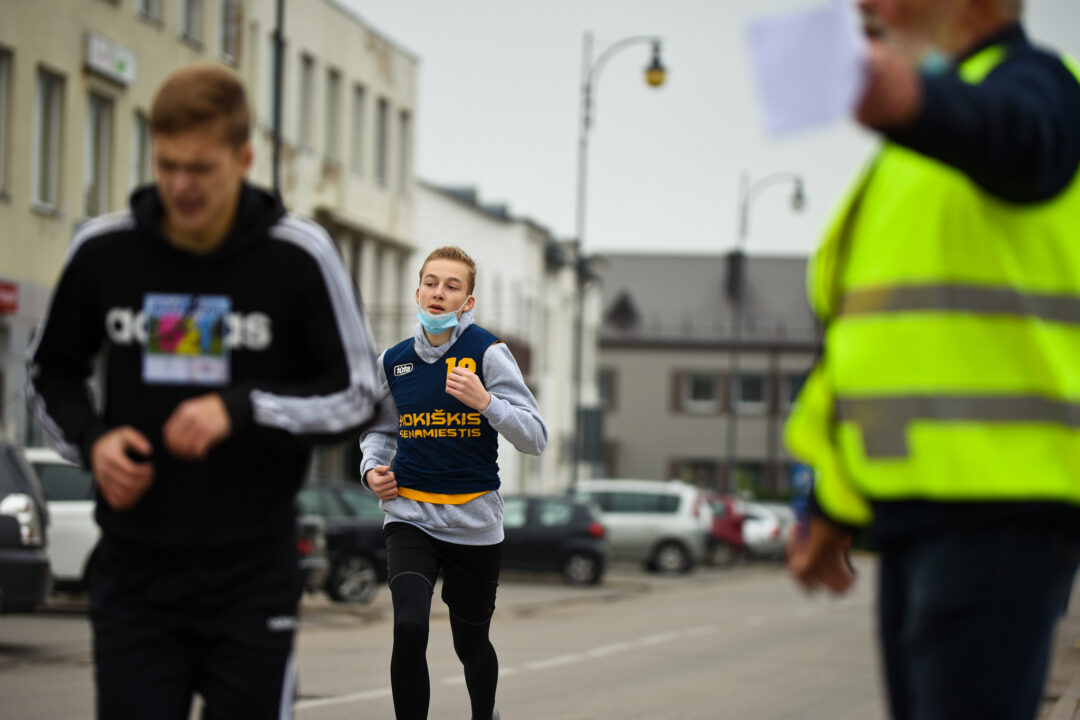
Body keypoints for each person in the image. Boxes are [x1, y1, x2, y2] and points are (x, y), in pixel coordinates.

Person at [25, 64, 380, 719]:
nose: (181, 186)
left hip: (250, 573)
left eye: (201, 169)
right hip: (135, 570)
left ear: (243, 159)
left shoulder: (299, 255)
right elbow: (49, 372)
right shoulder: (104, 250)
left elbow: (359, 394)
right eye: (167, 165)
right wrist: (94, 442)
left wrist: (242, 408)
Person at [785, 1, 1080, 718]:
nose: (867, 7)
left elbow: (1023, 139)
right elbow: (874, 356)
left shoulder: (1039, 89)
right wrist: (833, 504)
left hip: (1004, 507)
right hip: (924, 512)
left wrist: (916, 103)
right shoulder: (915, 156)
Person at [360, 246, 547, 720]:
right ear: (417, 292)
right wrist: (371, 468)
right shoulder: (394, 361)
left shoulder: (488, 353)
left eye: (452, 286)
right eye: (431, 283)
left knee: (471, 643)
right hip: (410, 515)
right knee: (408, 627)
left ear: (468, 302)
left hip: (474, 523)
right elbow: (379, 430)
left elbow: (536, 437)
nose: (438, 293)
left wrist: (487, 403)